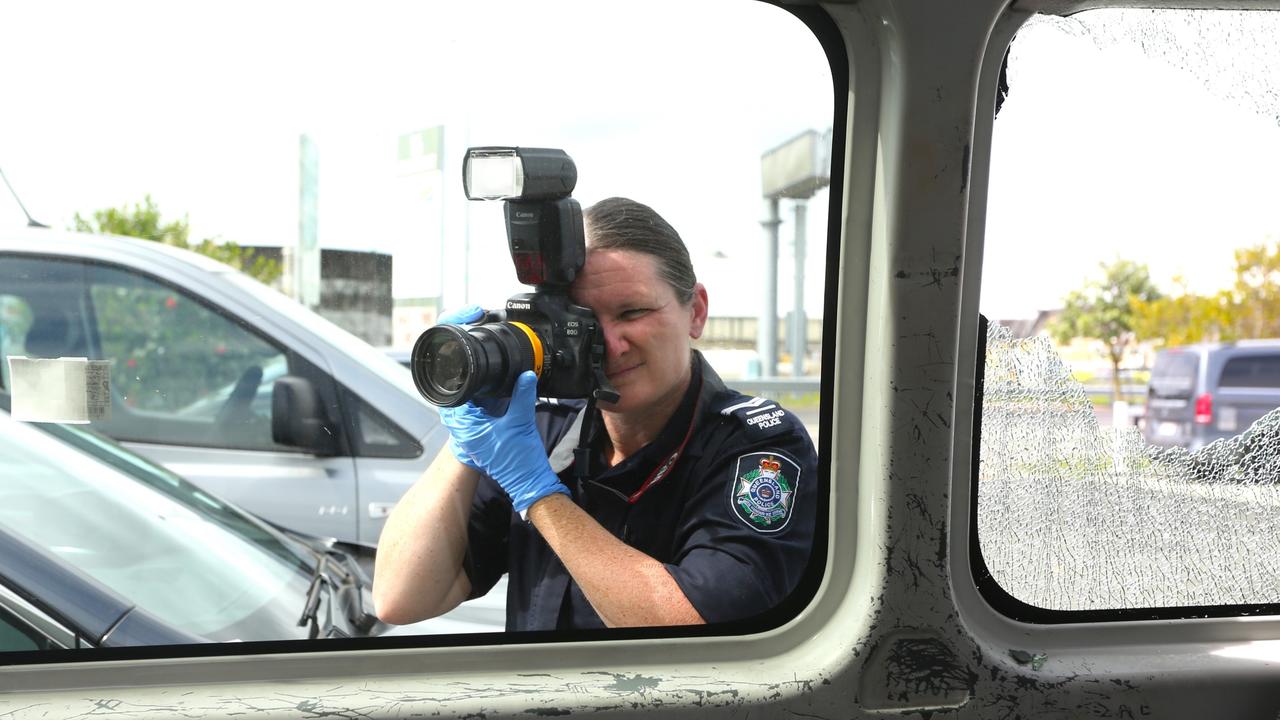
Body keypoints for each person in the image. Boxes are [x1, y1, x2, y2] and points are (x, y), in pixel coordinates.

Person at [373, 197, 817, 631]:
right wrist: (469, 427)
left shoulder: (757, 445)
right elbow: (400, 597)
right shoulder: (540, 432)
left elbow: (694, 629)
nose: (608, 344)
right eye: (582, 321)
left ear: (696, 312)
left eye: (633, 312)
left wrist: (540, 497)